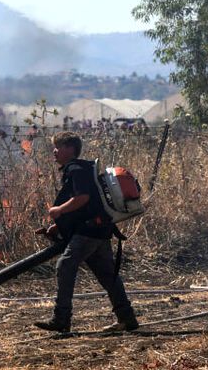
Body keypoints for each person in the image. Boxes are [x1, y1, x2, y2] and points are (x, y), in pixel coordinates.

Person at [33, 132, 139, 336]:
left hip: (89, 232)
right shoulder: (81, 169)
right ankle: (127, 318)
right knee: (108, 275)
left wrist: (59, 211)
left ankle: (61, 319)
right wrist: (59, 226)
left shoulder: (75, 170)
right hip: (99, 229)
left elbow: (82, 198)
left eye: (59, 147)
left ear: (70, 149)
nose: (54, 151)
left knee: (65, 265)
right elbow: (86, 206)